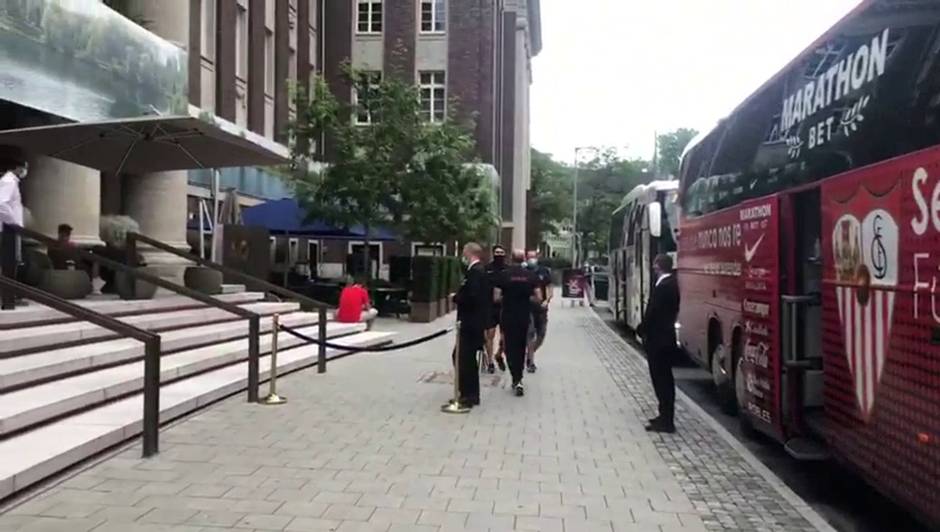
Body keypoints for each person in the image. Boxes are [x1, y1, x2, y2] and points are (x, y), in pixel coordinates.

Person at [637, 254, 680, 433]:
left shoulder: (664, 286)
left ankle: (666, 421)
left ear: (658, 266)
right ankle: (663, 415)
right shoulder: (671, 284)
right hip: (664, 338)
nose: (653, 269)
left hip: (659, 341)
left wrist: (641, 329)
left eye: (655, 265)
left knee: (661, 380)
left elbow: (653, 312)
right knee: (663, 379)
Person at [495, 249, 541, 396]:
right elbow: (538, 297)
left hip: (508, 316)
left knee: (509, 347)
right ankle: (519, 377)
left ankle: (515, 376)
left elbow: (496, 297)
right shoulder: (531, 276)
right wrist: (526, 299)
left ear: (511, 258)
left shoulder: (504, 275)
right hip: (524, 316)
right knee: (521, 346)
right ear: (524, 259)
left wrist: (508, 298)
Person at [453, 242, 489, 406]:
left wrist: (457, 298)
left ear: (469, 253)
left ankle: (468, 394)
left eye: (464, 252)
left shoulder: (475, 272)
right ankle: (468, 393)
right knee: (464, 357)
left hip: (470, 323)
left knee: (463, 358)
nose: (463, 256)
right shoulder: (478, 271)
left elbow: (472, 296)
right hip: (473, 322)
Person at [525, 250, 552, 373]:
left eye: (533, 257)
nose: (531, 259)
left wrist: (547, 300)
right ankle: (531, 361)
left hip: (541, 308)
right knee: (530, 334)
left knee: (541, 335)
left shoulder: (544, 271)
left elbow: (549, 287)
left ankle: (530, 353)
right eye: (529, 257)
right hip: (528, 308)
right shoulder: (524, 271)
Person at [483, 245, 508, 374]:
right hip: (490, 307)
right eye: (497, 252)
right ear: (493, 254)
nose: (499, 254)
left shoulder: (508, 270)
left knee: (505, 337)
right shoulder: (487, 269)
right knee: (490, 335)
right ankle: (490, 362)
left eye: (501, 252)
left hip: (504, 307)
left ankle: (499, 354)